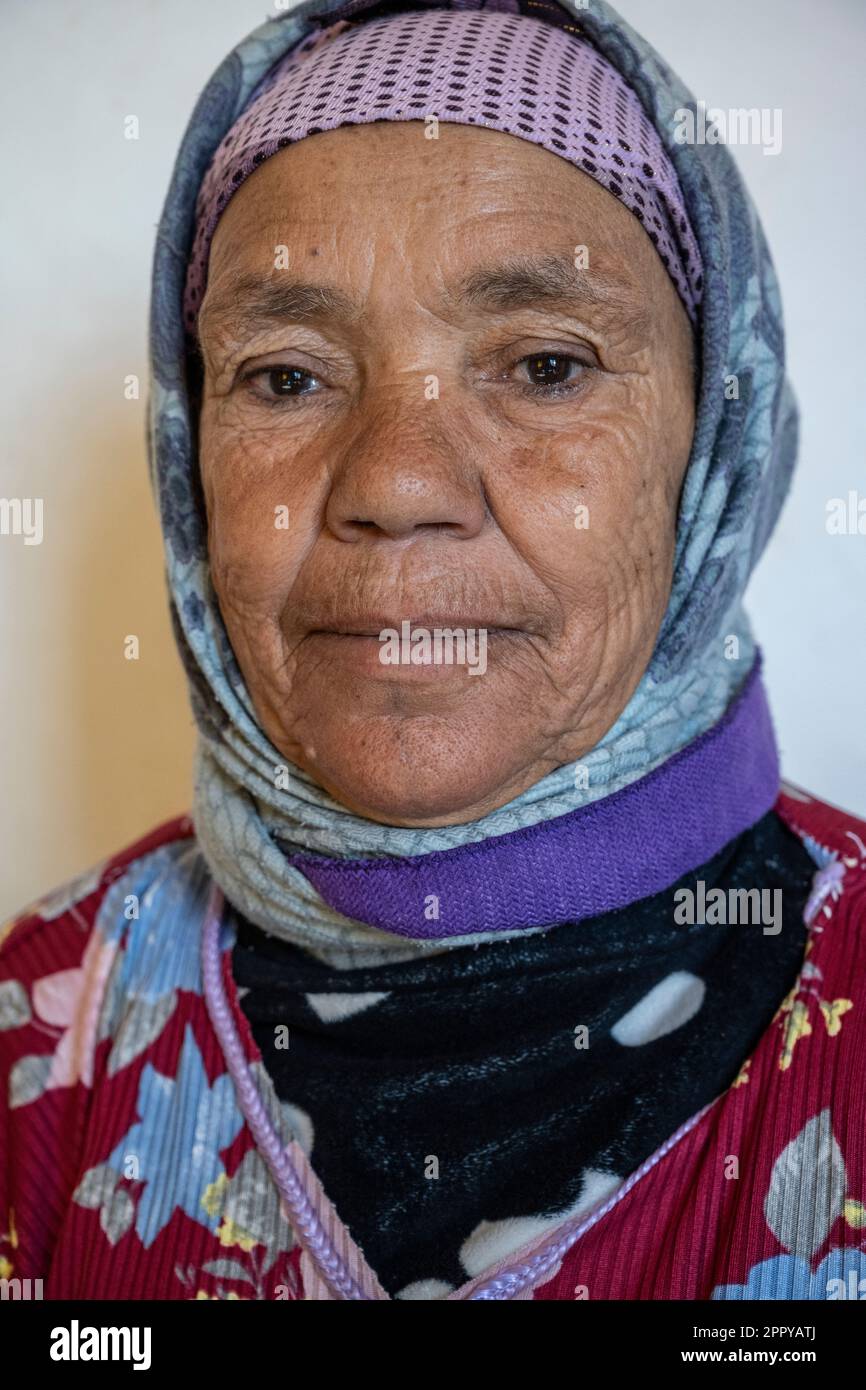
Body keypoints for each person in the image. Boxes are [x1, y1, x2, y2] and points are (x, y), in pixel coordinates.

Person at [1, 0, 864, 1302]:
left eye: (543, 363)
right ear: (190, 465)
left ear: (712, 453)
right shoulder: (42, 1021)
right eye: (285, 375)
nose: (397, 484)